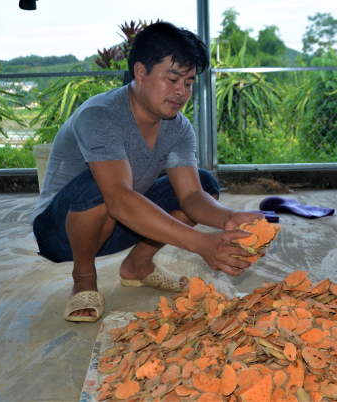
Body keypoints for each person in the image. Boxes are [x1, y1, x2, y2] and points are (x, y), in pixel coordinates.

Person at [27, 22, 261, 323]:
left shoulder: (178, 126)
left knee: (204, 183)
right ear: (140, 72)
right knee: (102, 187)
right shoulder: (100, 115)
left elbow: (190, 195)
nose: (182, 91)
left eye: (189, 83)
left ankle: (138, 265)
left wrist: (226, 218)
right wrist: (202, 243)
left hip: (118, 222)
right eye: (173, 78)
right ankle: (84, 278)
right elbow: (119, 200)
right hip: (60, 232)